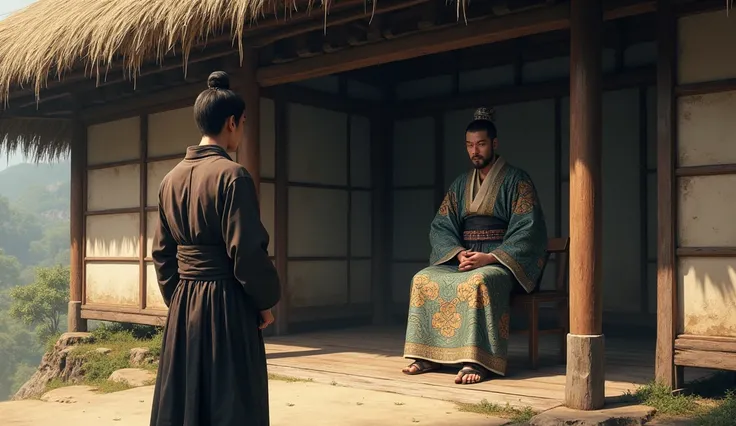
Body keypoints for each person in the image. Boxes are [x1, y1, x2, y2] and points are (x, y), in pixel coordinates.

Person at [149, 71, 281, 426]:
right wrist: (264, 301)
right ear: (231, 122)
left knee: (187, 397)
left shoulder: (169, 180)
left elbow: (162, 253)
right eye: (242, 124)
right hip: (228, 304)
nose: (242, 131)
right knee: (231, 398)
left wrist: (179, 299)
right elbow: (247, 252)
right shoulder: (232, 175)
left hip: (184, 304)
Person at [401, 107, 548, 385]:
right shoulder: (460, 184)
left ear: (494, 144)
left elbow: (529, 229)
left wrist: (490, 257)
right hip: (465, 257)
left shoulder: (518, 180)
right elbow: (441, 225)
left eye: (481, 144)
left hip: (500, 262)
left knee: (479, 281)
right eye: (469, 145)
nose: (475, 151)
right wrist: (458, 254)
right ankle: (428, 355)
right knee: (422, 278)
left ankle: (478, 361)